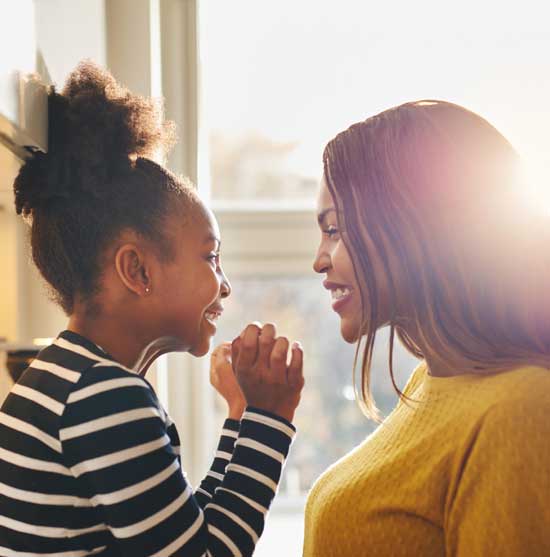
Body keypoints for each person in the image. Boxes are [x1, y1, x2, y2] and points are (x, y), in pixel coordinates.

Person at [0, 61, 304, 557]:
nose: (224, 285)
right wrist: (271, 419)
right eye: (210, 256)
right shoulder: (106, 398)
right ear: (137, 270)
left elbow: (187, 534)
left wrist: (241, 414)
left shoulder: (66, 379)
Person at [305, 100, 550, 556]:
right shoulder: (432, 379)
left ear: (412, 227)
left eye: (334, 229)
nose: (319, 259)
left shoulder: (519, 410)